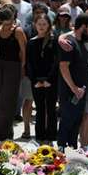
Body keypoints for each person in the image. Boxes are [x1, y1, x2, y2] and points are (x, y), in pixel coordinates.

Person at [0, 5, 27, 141]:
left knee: (7, 100)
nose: (9, 25)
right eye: (6, 23)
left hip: (13, 67)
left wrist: (22, 68)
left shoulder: (17, 31)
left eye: (11, 21)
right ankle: (4, 130)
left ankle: (3, 132)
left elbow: (23, 51)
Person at [57, 13, 88, 150]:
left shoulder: (81, 42)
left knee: (76, 122)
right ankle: (61, 148)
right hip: (70, 92)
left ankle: (72, 148)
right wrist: (73, 88)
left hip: (80, 92)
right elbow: (63, 67)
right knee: (67, 120)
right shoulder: (69, 43)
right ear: (83, 27)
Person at [26, 13, 58, 143]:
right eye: (39, 24)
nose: (41, 27)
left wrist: (48, 80)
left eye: (44, 24)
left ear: (49, 25)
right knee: (39, 108)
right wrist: (36, 80)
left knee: (51, 108)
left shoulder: (54, 40)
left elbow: (55, 62)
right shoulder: (32, 42)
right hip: (36, 81)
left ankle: (51, 136)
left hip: (50, 81)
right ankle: (39, 136)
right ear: (35, 25)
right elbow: (29, 64)